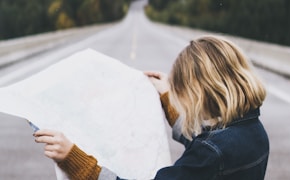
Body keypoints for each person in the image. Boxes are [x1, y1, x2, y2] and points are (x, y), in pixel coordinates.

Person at [34, 35, 269, 180]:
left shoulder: (210, 153)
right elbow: (202, 141)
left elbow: (205, 150)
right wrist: (167, 97)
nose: (181, 101)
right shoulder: (252, 130)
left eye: (182, 94)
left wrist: (77, 161)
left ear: (201, 93)